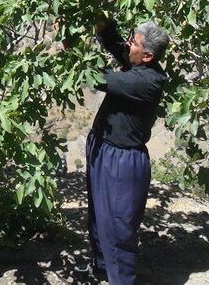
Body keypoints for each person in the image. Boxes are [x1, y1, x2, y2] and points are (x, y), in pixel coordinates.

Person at [62, 18, 169, 285]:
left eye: (134, 42)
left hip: (123, 160)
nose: (128, 44)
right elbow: (116, 45)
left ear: (147, 55)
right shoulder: (137, 63)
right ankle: (101, 270)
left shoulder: (148, 81)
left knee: (118, 226)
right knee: (99, 217)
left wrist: (70, 47)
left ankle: (122, 280)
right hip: (102, 148)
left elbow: (98, 78)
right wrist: (101, 23)